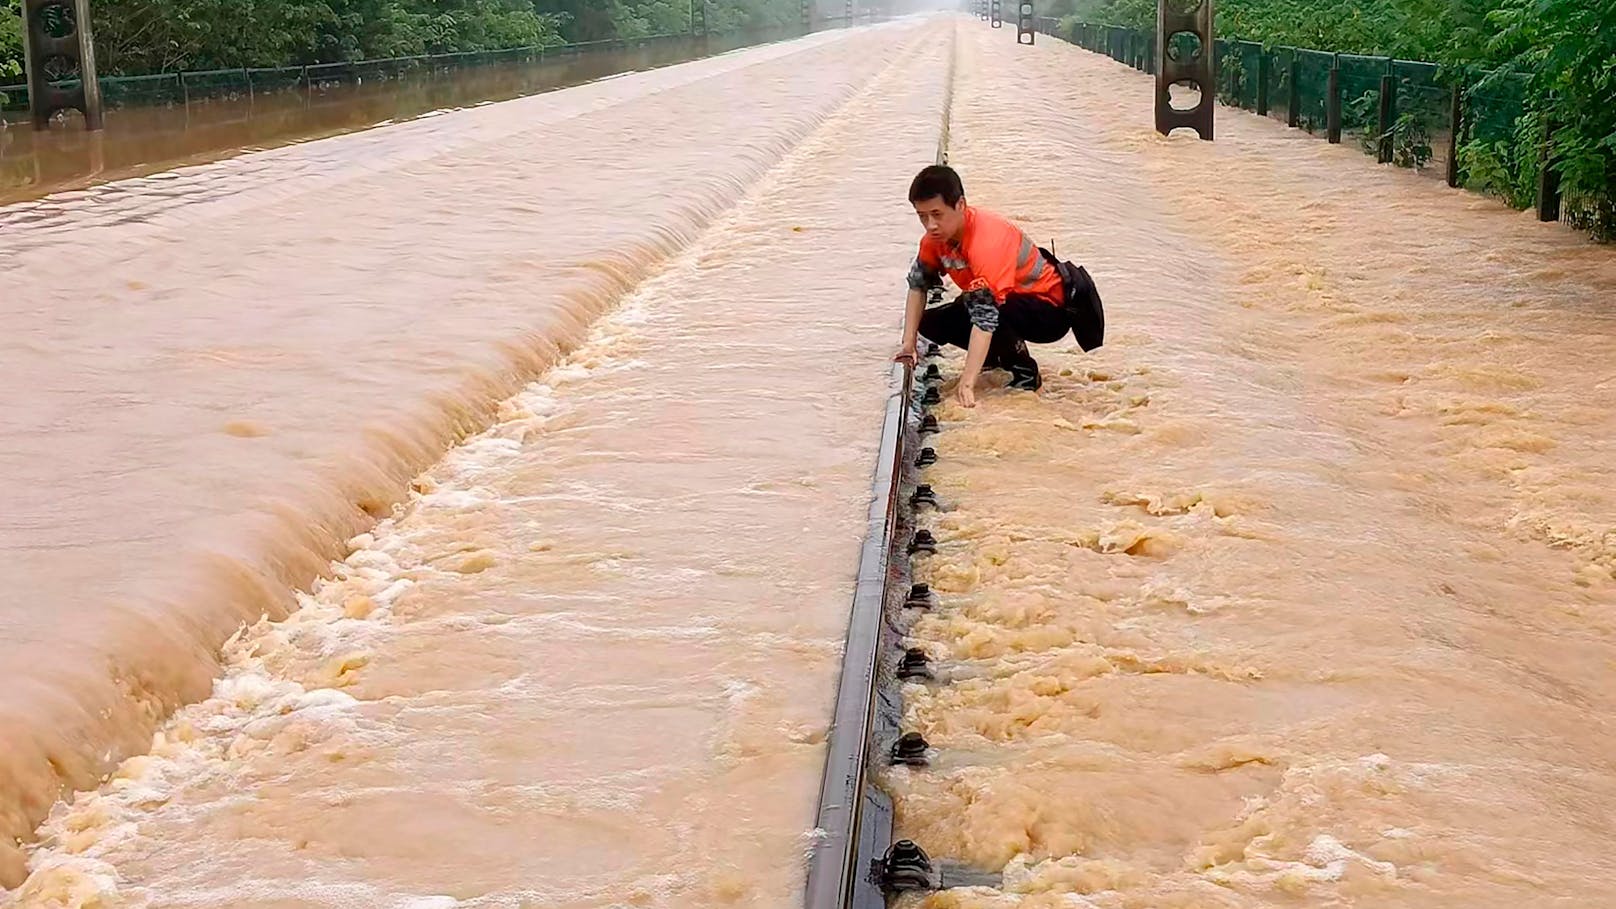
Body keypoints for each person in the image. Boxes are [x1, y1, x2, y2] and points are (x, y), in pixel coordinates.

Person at [894, 164, 1103, 408]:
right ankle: (997, 358)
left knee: (977, 303)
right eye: (922, 216)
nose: (930, 225)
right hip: (1008, 303)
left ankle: (1025, 374)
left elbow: (985, 315)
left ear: (960, 205)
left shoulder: (987, 239)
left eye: (937, 214)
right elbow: (918, 284)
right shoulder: (934, 240)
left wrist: (967, 384)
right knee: (932, 322)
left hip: (1051, 311)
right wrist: (908, 344)